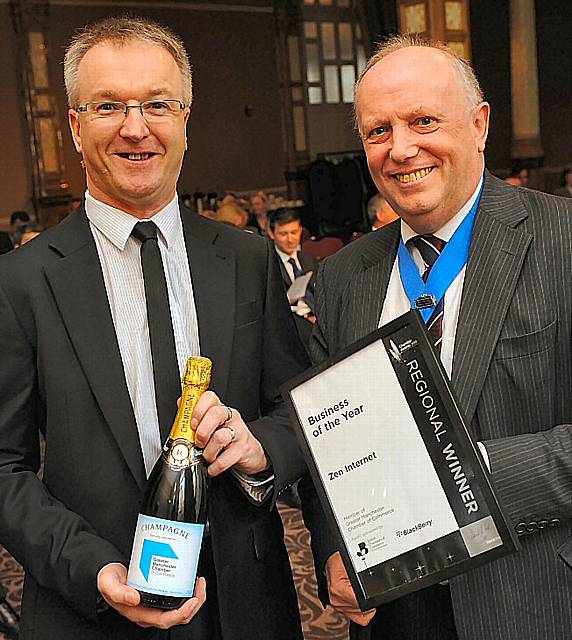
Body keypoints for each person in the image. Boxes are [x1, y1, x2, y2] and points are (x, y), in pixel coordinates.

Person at [0, 16, 310, 640]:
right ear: (75, 125)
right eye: (109, 104)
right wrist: (92, 570)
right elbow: (4, 469)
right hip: (88, 608)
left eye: (158, 104)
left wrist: (258, 450)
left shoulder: (247, 260)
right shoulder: (22, 280)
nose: (135, 127)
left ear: (185, 121)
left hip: (244, 607)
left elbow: (296, 411)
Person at [301, 34, 572, 640]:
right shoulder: (343, 277)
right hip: (395, 611)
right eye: (378, 131)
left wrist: (466, 473)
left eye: (424, 121)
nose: (401, 149)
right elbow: (324, 450)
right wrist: (333, 550)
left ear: (479, 125)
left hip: (536, 601)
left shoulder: (563, 241)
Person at [267, 207, 318, 348]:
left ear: (301, 230)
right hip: (291, 324)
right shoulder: (268, 263)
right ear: (272, 234)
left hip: (317, 318)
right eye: (283, 234)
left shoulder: (309, 259)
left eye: (294, 232)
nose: (290, 240)